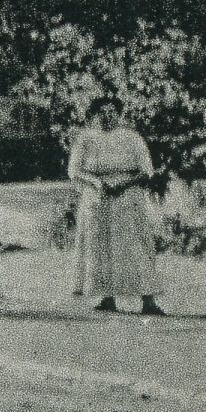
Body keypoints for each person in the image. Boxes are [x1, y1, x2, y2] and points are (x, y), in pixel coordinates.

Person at [66, 91, 163, 315]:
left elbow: (146, 171)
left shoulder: (132, 138)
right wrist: (96, 182)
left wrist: (123, 184)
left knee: (134, 246)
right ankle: (107, 297)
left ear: (119, 114)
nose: (106, 117)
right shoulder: (86, 139)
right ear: (94, 115)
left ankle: (148, 301)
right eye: (101, 112)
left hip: (128, 198)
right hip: (97, 198)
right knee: (101, 248)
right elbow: (74, 171)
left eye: (111, 112)